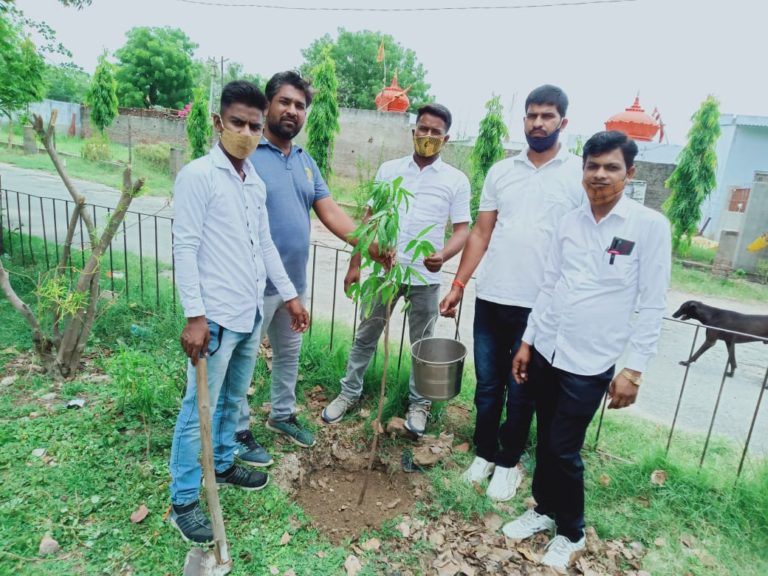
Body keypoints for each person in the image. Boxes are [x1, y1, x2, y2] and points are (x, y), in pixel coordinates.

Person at [503, 131, 671, 570]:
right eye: (592, 166)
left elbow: (653, 304)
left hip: (591, 362)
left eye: (611, 167)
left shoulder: (648, 227)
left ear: (629, 173)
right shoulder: (570, 222)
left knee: (563, 448)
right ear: (583, 171)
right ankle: (542, 508)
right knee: (545, 440)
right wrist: (527, 341)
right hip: (547, 351)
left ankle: (572, 530)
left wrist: (634, 370)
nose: (600, 174)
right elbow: (549, 285)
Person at [168, 80, 309, 545]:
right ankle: (184, 499)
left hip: (249, 313)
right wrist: (195, 316)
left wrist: (289, 296)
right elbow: (185, 247)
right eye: (238, 124)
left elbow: (265, 243)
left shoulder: (254, 181)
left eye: (253, 124)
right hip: (215, 317)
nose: (247, 133)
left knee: (234, 397)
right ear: (218, 122)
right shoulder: (199, 176)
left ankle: (225, 463)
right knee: (197, 409)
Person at [439, 85, 583, 500]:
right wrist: (459, 283)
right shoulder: (502, 172)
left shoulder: (576, 175)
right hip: (492, 300)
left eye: (547, 116)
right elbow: (481, 232)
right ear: (523, 120)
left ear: (562, 122)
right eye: (531, 115)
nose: (538, 123)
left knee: (523, 392)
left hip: (539, 307)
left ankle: (508, 462)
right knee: (487, 386)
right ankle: (484, 453)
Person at [234, 71, 364, 460]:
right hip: (251, 284)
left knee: (289, 354)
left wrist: (368, 244)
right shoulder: (247, 154)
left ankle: (282, 414)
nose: (292, 111)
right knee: (242, 360)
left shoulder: (306, 161)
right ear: (268, 105)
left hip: (292, 284)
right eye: (285, 102)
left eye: (300, 105)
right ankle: (237, 430)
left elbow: (329, 211)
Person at [322, 103, 471, 436]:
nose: (428, 136)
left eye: (436, 132)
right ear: (413, 131)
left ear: (446, 139)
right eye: (423, 129)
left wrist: (443, 255)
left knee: (423, 346)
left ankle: (419, 406)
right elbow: (369, 220)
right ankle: (349, 393)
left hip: (425, 278)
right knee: (365, 335)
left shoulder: (456, 181)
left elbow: (463, 230)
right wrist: (355, 263)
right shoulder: (389, 171)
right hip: (386, 274)